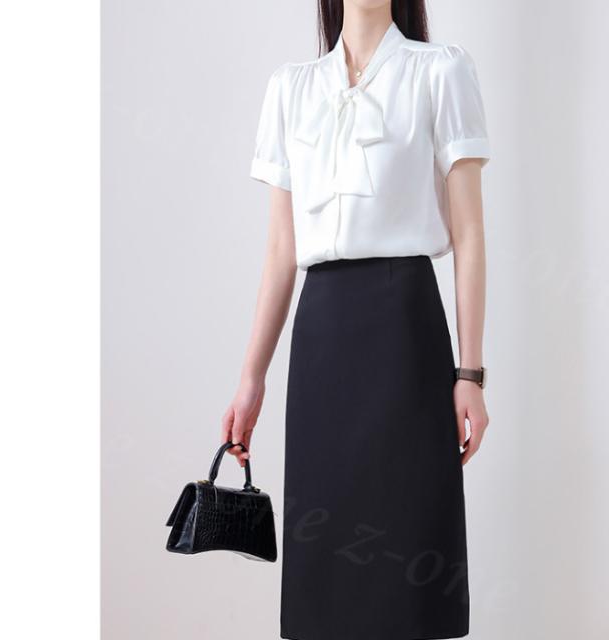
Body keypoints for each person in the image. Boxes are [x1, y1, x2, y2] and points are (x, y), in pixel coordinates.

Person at [221, 1, 490, 638]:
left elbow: (470, 236)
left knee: (408, 558)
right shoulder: (291, 88)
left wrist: (470, 373)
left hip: (406, 331)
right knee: (326, 568)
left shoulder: (440, 71)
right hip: (322, 337)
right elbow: (281, 251)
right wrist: (251, 378)